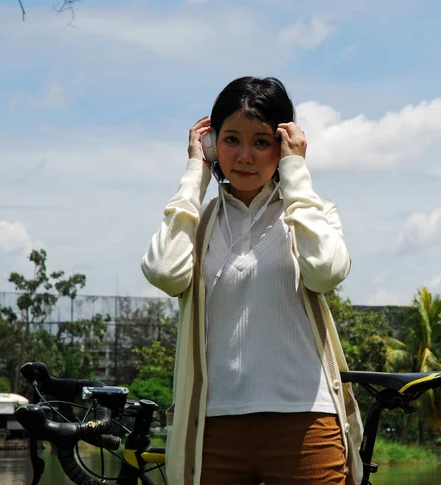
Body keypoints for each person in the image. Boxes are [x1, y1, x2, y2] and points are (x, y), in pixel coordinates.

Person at [141, 76, 363, 485]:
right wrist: (195, 175)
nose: (244, 156)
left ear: (283, 146)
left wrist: (296, 173)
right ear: (211, 145)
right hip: (213, 425)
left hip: (306, 422)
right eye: (230, 140)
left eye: (261, 142)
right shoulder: (199, 222)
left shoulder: (313, 213)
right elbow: (165, 273)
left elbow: (325, 271)